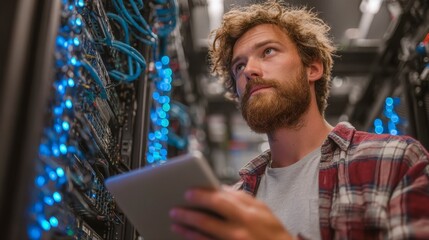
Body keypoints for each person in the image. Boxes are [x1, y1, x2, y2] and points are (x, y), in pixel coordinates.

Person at [169, 1, 429, 239]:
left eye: (268, 51)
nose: (249, 70)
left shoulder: (394, 161)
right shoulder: (235, 200)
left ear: (312, 68)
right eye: (239, 66)